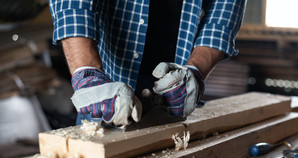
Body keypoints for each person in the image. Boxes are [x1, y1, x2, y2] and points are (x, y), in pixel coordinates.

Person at [49, 0, 247, 126]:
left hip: (174, 106)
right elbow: (72, 5)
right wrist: (87, 74)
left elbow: (224, 12)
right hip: (106, 94)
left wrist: (195, 71)